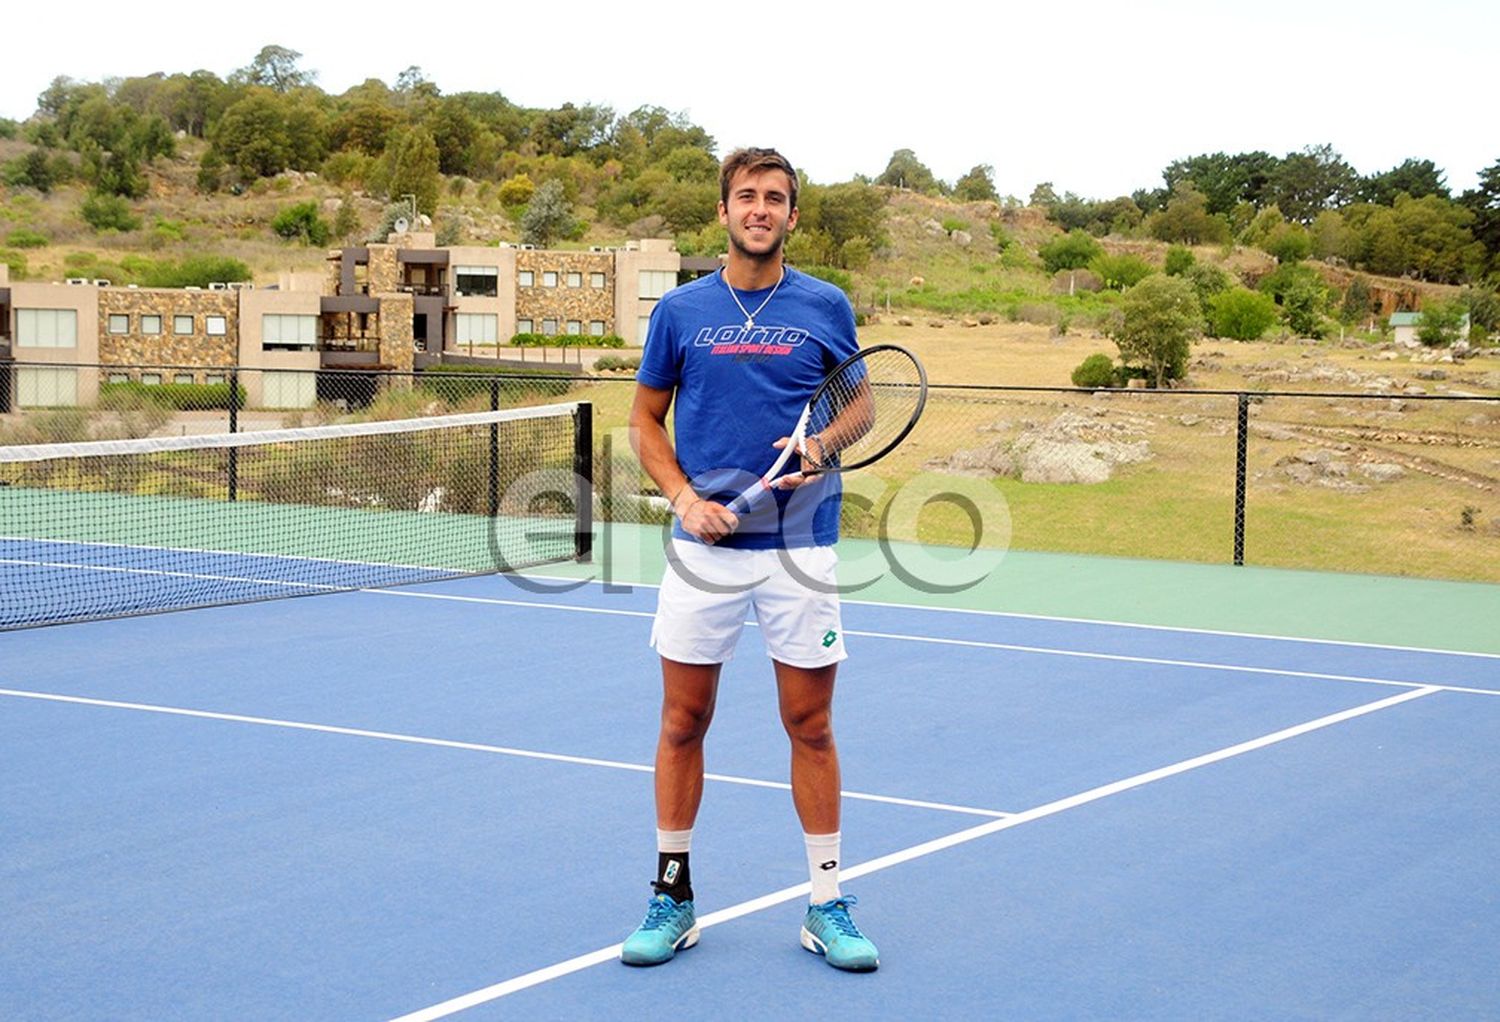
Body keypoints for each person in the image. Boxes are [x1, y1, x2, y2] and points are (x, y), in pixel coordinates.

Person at [621, 147, 878, 972]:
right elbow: (643, 422)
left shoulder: (825, 306)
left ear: (792, 216)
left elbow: (861, 407)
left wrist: (822, 446)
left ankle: (827, 904)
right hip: (704, 553)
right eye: (746, 196)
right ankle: (673, 897)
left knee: (810, 725)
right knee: (681, 722)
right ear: (724, 212)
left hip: (801, 549)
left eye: (775, 198)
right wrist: (684, 500)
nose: (760, 209)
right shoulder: (681, 311)